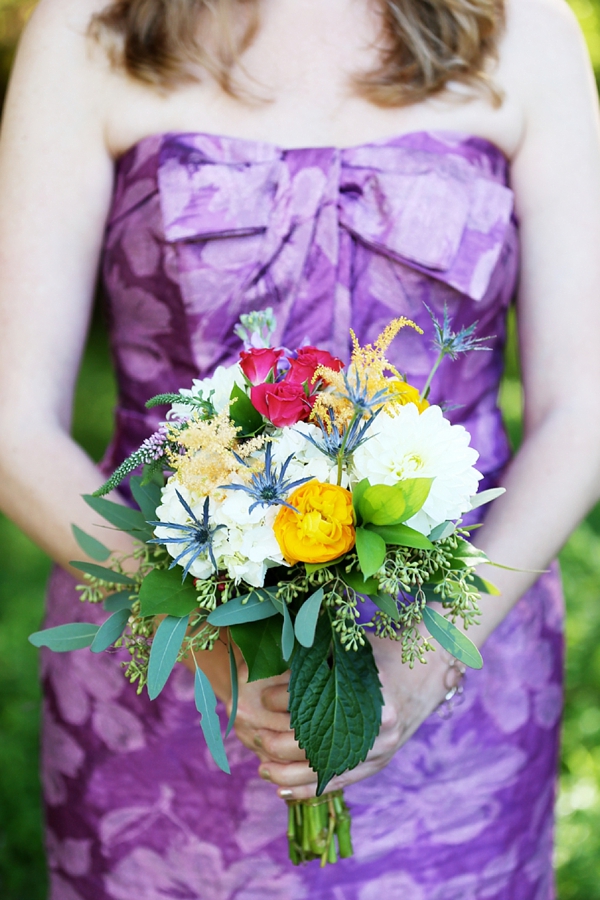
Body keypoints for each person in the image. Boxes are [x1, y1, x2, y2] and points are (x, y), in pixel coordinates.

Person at [1, 0, 600, 896]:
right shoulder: (91, 26)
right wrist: (212, 649)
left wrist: (419, 661)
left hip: (456, 651)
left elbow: (583, 405)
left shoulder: (525, 27)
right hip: (164, 657)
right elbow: (13, 425)